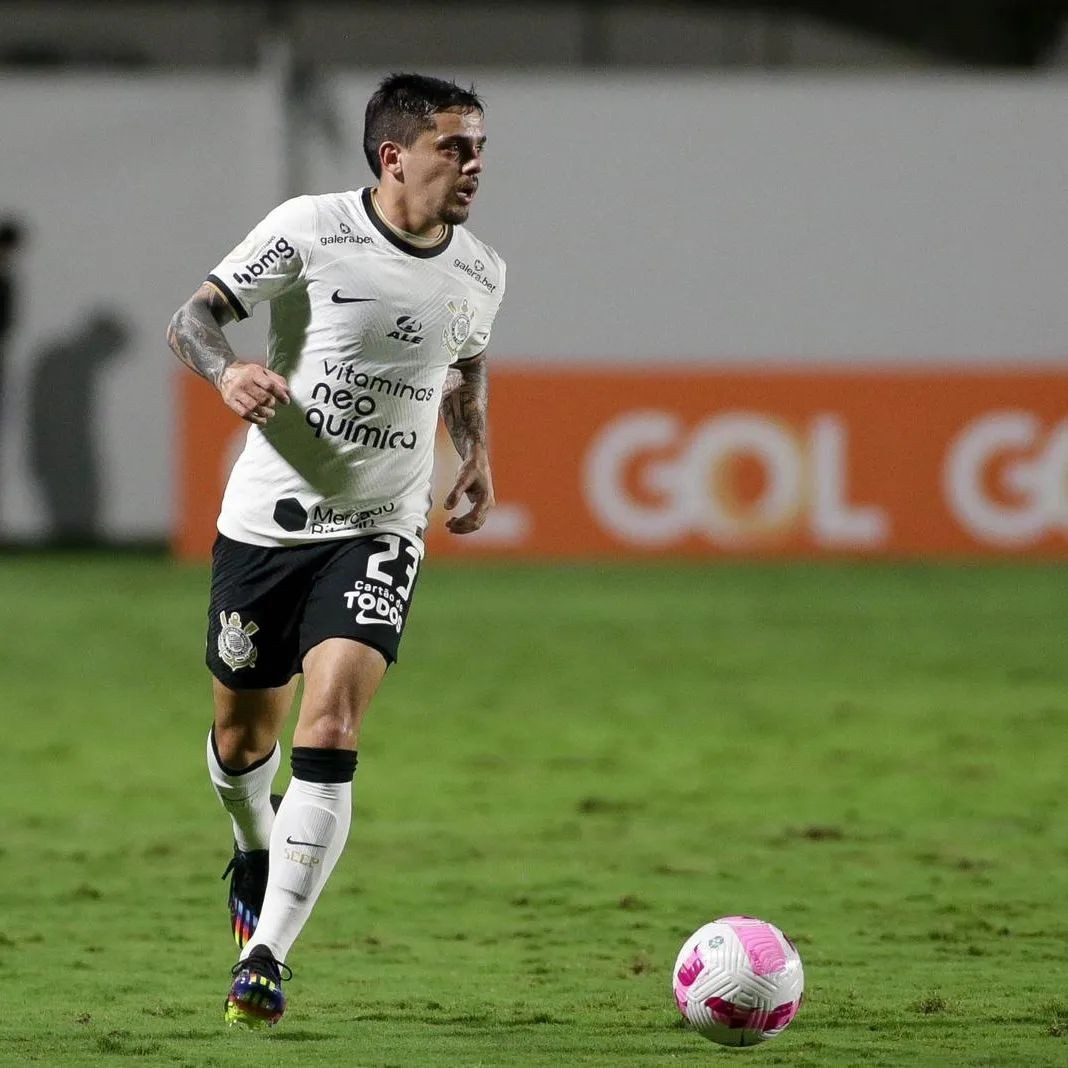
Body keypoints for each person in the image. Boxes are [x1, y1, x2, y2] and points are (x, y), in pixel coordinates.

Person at [165, 72, 504, 1029]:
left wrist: (475, 456)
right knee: (244, 741)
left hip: (382, 528)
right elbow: (191, 319)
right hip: (266, 526)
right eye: (456, 147)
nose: (475, 164)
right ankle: (249, 837)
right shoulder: (309, 227)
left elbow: (465, 364)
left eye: (480, 147)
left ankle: (264, 956)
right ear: (395, 156)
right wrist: (229, 372)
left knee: (333, 726)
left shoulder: (483, 270)